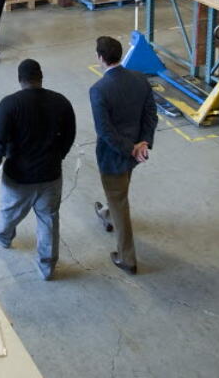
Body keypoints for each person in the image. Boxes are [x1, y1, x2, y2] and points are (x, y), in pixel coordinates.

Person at [0, 59, 76, 281]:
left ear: (19, 80)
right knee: (48, 220)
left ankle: (3, 237)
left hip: (18, 178)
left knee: (9, 212)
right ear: (41, 77)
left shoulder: (9, 105)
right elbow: (70, 136)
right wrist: (57, 156)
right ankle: (47, 267)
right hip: (50, 175)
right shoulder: (61, 102)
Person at [90, 35, 157, 275]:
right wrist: (142, 144)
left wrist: (130, 148)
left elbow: (105, 131)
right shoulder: (140, 79)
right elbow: (151, 114)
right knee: (118, 191)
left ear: (100, 58)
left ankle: (127, 258)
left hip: (114, 155)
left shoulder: (99, 90)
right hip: (136, 153)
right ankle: (106, 215)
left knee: (120, 201)